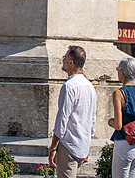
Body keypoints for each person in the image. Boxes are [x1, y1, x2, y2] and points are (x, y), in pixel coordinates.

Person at [48, 45, 97, 178]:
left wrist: (53, 148)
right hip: (82, 144)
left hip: (68, 145)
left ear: (71, 62)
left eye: (65, 57)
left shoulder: (69, 87)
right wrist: (87, 145)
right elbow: (92, 120)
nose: (62, 60)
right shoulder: (90, 86)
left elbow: (62, 121)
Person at [109, 58, 135, 178]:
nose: (117, 72)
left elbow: (118, 125)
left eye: (118, 70)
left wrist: (110, 122)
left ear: (123, 72)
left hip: (124, 142)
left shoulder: (119, 93)